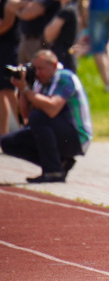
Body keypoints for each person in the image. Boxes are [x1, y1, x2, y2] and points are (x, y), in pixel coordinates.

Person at [0, 50, 92, 183]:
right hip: (58, 132)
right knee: (8, 142)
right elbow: (27, 117)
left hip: (77, 138)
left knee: (38, 116)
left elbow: (52, 109)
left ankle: (53, 171)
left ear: (54, 65)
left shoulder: (64, 77)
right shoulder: (40, 83)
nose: (37, 73)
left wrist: (27, 91)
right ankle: (60, 162)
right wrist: (23, 88)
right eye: (34, 68)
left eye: (41, 69)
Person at [0, 0, 23, 135]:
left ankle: (28, 130)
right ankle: (3, 137)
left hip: (9, 47)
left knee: (9, 90)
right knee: (1, 93)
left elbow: (7, 23)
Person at [43, 0, 81, 73]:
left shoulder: (66, 11)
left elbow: (48, 35)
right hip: (64, 56)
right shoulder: (68, 9)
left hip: (64, 58)